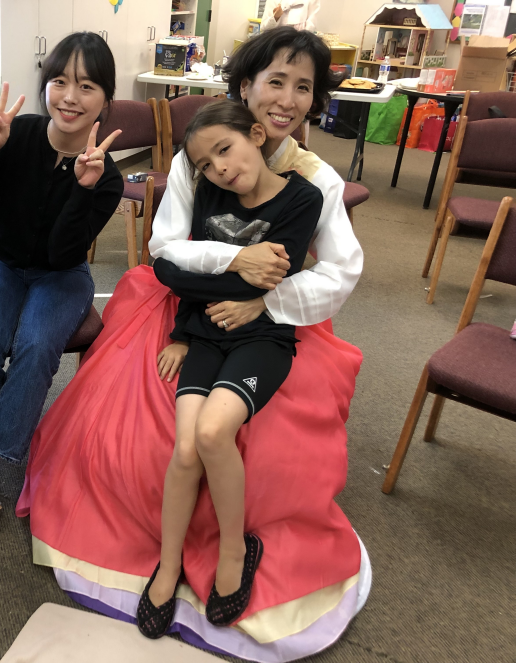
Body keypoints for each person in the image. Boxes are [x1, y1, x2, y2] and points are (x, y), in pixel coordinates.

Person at [17, 26, 367, 659]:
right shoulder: (197, 154)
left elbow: (340, 274)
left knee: (264, 443)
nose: (287, 100)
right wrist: (236, 261)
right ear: (246, 87)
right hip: (188, 311)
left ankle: (234, 545)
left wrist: (266, 300)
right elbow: (165, 249)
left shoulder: (315, 182)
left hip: (275, 318)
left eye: (303, 87)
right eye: (275, 81)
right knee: (138, 425)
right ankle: (163, 552)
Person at [0, 32, 123, 551]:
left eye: (86, 86)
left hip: (64, 275)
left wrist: (82, 189)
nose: (70, 97)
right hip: (4, 265)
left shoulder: (106, 174)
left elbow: (62, 253)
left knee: (36, 348)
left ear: (106, 98)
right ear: (45, 86)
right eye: (59, 81)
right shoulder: (17, 135)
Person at [137, 101, 323, 638]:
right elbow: (171, 270)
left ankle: (236, 549)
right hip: (204, 331)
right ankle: (169, 563)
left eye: (225, 149)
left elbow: (269, 279)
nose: (219, 168)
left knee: (213, 431)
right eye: (206, 163)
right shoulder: (209, 193)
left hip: (263, 335)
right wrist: (185, 324)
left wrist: (219, 281)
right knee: (185, 449)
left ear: (257, 135)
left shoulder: (302, 198)